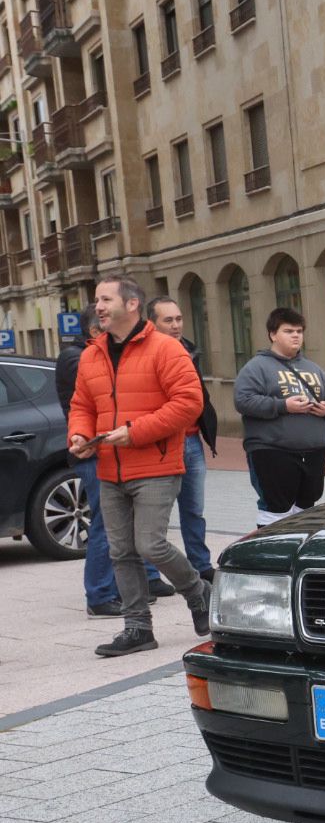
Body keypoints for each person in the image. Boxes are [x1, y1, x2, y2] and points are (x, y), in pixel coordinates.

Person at [67, 276, 210, 657]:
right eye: (96, 299)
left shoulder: (166, 349)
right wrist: (79, 436)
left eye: (106, 298)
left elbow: (188, 403)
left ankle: (199, 594)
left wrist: (135, 433)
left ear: (131, 305)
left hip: (156, 463)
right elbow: (82, 405)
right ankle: (137, 628)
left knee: (150, 544)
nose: (98, 306)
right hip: (109, 468)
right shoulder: (91, 355)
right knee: (120, 551)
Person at [55, 317, 166, 616]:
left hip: (112, 448)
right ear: (95, 331)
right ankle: (100, 594)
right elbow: (89, 403)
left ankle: (126, 587)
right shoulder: (77, 357)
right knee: (106, 526)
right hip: (94, 453)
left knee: (123, 526)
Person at [233, 307, 325, 525]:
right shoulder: (257, 367)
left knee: (307, 508)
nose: (296, 335)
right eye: (288, 331)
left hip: (314, 452)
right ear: (273, 334)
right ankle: (271, 553)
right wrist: (283, 406)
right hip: (272, 451)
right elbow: (243, 401)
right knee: (276, 508)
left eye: (299, 331)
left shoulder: (313, 368)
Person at [146, 296, 217, 582]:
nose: (176, 326)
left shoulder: (189, 350)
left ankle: (201, 565)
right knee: (154, 515)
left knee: (194, 511)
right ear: (152, 323)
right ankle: (150, 576)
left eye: (178, 319)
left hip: (192, 442)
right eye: (168, 320)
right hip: (161, 444)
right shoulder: (146, 354)